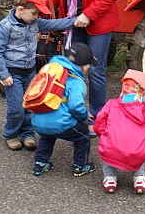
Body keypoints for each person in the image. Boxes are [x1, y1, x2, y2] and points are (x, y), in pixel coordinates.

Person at [46, 0, 122, 137]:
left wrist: (89, 13)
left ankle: (98, 117)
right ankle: (77, 114)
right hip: (72, 21)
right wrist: (43, 11)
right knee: (74, 68)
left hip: (98, 21)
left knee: (96, 70)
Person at [0, 0, 80, 151]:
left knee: (30, 105)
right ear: (21, 9)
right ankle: (11, 134)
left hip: (30, 72)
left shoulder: (35, 23)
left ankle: (27, 134)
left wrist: (75, 21)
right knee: (16, 107)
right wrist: (3, 74)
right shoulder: (4, 27)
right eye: (34, 13)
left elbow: (55, 23)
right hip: (13, 74)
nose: (36, 17)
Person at [31, 42, 98, 177]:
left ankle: (39, 164)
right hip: (60, 123)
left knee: (47, 136)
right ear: (81, 67)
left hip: (38, 121)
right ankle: (80, 166)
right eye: (87, 64)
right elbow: (76, 107)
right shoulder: (76, 81)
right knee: (83, 135)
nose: (89, 66)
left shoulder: (50, 70)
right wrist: (85, 117)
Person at [93, 69, 145, 194]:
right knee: (139, 149)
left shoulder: (111, 104)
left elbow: (99, 123)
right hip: (136, 153)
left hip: (111, 149)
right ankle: (139, 179)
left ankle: (110, 179)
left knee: (109, 153)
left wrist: (104, 135)